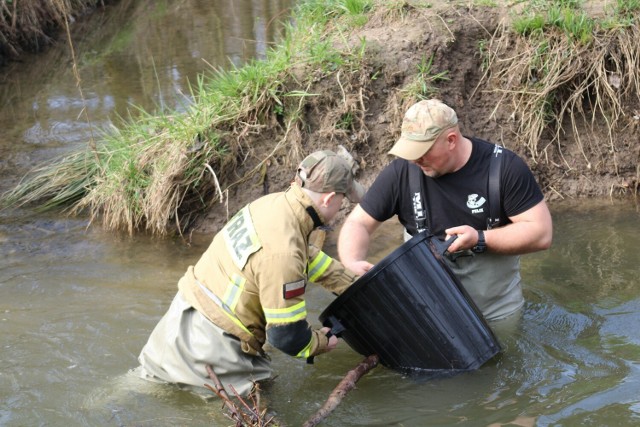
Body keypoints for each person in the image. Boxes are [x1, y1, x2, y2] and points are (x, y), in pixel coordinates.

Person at [133, 150, 365, 397]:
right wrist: (319, 342)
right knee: (262, 418)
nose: (343, 206)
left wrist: (353, 284)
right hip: (215, 350)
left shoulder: (272, 206)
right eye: (344, 200)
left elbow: (304, 256)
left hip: (177, 322)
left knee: (138, 388)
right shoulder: (284, 252)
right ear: (329, 199)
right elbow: (285, 335)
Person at [338, 99, 552, 322]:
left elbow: (541, 232)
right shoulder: (402, 171)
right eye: (410, 151)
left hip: (495, 312)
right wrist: (352, 262)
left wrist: (480, 238)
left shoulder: (504, 169)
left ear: (451, 140)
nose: (415, 160)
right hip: (427, 311)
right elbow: (358, 223)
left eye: (422, 152)